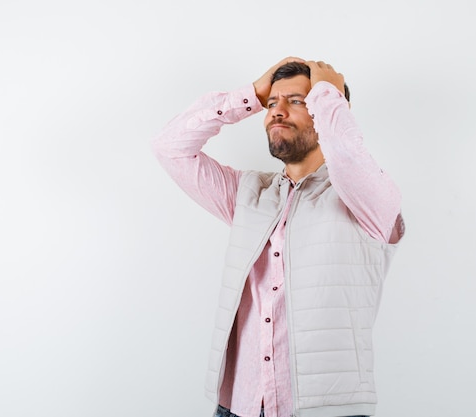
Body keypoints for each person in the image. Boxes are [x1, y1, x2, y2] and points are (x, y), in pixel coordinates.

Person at [151, 56, 405, 417]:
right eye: (273, 104)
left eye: (297, 101)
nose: (277, 112)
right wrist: (251, 94)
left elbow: (348, 154)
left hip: (328, 411)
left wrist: (328, 94)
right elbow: (169, 147)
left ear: (327, 109)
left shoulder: (367, 200)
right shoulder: (249, 194)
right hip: (240, 407)